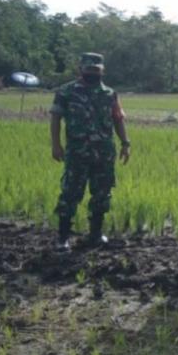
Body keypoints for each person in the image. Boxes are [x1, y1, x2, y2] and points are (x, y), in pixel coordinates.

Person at [51, 52, 130, 251]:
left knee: (102, 194)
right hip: (77, 153)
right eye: (89, 69)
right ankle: (63, 237)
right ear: (81, 69)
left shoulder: (110, 94)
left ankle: (95, 234)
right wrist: (56, 145)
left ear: (102, 71)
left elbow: (118, 119)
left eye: (96, 70)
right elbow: (55, 118)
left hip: (104, 154)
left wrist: (125, 143)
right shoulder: (66, 92)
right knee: (70, 193)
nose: (92, 73)